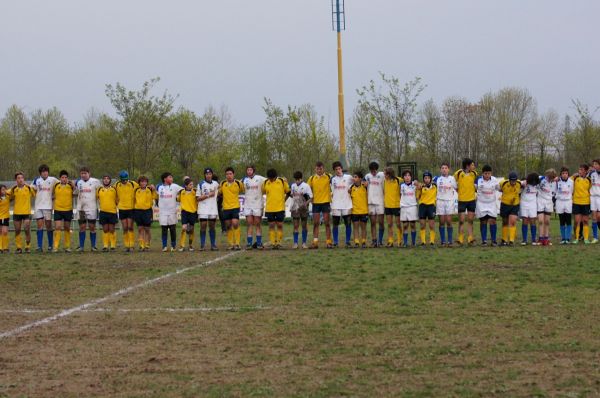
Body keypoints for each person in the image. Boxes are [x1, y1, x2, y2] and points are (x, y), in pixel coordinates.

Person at [32, 164, 59, 252]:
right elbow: (31, 189)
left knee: (48, 226)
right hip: (38, 206)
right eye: (43, 171)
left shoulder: (53, 180)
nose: (45, 173)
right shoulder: (36, 180)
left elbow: (60, 187)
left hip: (48, 206)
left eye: (46, 171)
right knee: (40, 225)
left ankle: (50, 246)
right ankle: (39, 246)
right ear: (40, 173)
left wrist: (55, 195)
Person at [262, 168, 290, 249]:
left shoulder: (282, 181)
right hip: (269, 208)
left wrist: (284, 200)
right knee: (271, 225)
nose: (271, 179)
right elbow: (263, 192)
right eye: (269, 178)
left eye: (272, 178)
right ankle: (272, 242)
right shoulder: (265, 182)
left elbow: (288, 192)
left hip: (280, 208)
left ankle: (279, 242)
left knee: (280, 225)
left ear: (275, 176)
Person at [307, 161, 333, 248]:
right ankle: (315, 242)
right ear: (315, 169)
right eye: (317, 169)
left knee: (327, 223)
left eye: (321, 168)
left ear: (323, 168)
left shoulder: (329, 176)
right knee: (316, 223)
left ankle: (329, 242)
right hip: (316, 204)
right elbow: (307, 189)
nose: (319, 170)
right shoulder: (311, 178)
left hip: (326, 202)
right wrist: (309, 199)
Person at [76, 167, 102, 251]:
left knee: (92, 227)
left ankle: (93, 246)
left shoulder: (95, 182)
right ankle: (81, 246)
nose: (83, 175)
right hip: (81, 208)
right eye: (82, 173)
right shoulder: (78, 182)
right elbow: (75, 192)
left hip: (92, 208)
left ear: (89, 173)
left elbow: (101, 192)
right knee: (82, 227)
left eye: (85, 173)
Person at [219, 167, 245, 250]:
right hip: (226, 207)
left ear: (233, 174)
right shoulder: (222, 183)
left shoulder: (238, 183)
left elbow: (243, 190)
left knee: (235, 223)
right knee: (228, 226)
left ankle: (237, 243)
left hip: (235, 206)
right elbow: (220, 193)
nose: (229, 175)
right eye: (227, 174)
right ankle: (231, 244)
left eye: (230, 174)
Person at [157, 172, 183, 252]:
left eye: (172, 177)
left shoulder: (175, 186)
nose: (172, 179)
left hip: (172, 211)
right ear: (165, 179)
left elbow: (183, 190)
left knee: (172, 229)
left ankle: (173, 245)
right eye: (170, 177)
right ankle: (164, 246)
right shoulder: (159, 187)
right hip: (162, 212)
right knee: (164, 229)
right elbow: (155, 194)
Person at [454, 158, 478, 245]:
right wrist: (457, 188)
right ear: (467, 165)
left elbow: (475, 184)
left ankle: (470, 238)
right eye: (472, 165)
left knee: (470, 220)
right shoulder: (458, 173)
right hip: (462, 200)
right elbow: (453, 183)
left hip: (471, 200)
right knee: (461, 221)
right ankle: (460, 238)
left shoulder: (474, 173)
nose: (474, 166)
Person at [10, 172, 35, 254]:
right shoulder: (13, 189)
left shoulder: (28, 188)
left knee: (27, 229)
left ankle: (27, 247)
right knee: (17, 230)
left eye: (22, 178)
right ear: (16, 180)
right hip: (17, 213)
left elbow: (36, 194)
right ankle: (19, 248)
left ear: (24, 179)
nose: (20, 179)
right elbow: (8, 197)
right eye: (18, 178)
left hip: (26, 212)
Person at [241, 165, 266, 250]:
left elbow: (269, 180)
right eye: (247, 170)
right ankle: (249, 243)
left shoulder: (260, 178)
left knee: (257, 224)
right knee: (249, 224)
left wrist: (282, 178)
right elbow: (236, 184)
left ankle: (259, 243)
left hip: (258, 205)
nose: (249, 171)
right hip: (248, 205)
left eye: (250, 170)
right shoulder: (244, 180)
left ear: (253, 171)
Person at [475, 165, 500, 246]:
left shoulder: (494, 180)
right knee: (483, 221)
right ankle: (484, 241)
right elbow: (472, 188)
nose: (487, 175)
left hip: (491, 204)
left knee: (493, 221)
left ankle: (493, 240)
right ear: (483, 173)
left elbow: (499, 188)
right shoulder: (478, 180)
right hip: (481, 204)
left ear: (491, 173)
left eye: (489, 173)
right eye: (485, 173)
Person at [114, 170, 139, 252]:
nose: (124, 181)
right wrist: (117, 203)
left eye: (126, 179)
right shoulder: (117, 184)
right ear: (120, 179)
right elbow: (113, 193)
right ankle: (126, 245)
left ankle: (131, 245)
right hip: (121, 209)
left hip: (131, 208)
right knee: (125, 228)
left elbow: (141, 189)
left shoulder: (133, 184)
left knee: (130, 227)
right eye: (123, 179)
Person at [330, 161, 353, 248]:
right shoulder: (332, 179)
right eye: (336, 169)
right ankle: (335, 242)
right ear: (334, 170)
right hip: (336, 204)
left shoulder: (349, 177)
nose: (338, 170)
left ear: (341, 168)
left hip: (347, 204)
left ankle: (347, 242)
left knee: (348, 223)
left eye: (339, 168)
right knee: (335, 224)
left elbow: (356, 182)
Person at [52, 170, 76, 252]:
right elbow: (51, 194)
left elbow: (76, 193)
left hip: (68, 210)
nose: (64, 179)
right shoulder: (55, 185)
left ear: (67, 178)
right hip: (58, 209)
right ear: (60, 178)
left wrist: (73, 186)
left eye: (66, 177)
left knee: (67, 227)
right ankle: (55, 247)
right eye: (62, 177)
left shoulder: (70, 185)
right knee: (58, 227)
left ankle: (67, 246)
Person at [434, 163, 457, 247]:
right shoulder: (436, 179)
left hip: (449, 201)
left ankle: (450, 241)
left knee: (449, 221)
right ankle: (443, 241)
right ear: (440, 170)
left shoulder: (452, 179)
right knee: (441, 222)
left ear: (448, 169)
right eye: (442, 168)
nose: (444, 169)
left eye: (446, 168)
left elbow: (457, 188)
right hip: (440, 201)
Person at [197, 168, 220, 251]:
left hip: (213, 208)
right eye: (207, 174)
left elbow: (221, 190)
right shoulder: (200, 184)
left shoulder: (216, 184)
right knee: (203, 226)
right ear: (204, 175)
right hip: (203, 209)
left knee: (212, 226)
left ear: (212, 174)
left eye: (210, 174)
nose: (208, 175)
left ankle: (213, 245)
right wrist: (208, 195)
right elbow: (198, 198)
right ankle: (202, 245)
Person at [289, 171, 313, 249]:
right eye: (296, 179)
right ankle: (295, 243)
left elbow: (311, 197)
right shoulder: (292, 186)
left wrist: (305, 204)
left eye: (298, 179)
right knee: (295, 225)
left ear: (301, 178)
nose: (297, 181)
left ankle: (304, 243)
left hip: (303, 209)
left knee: (304, 225)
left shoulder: (306, 186)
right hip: (295, 208)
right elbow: (292, 195)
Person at [364, 161, 385, 247]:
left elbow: (390, 176)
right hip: (371, 202)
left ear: (377, 169)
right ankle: (374, 240)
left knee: (381, 223)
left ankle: (380, 240)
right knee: (373, 222)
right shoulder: (367, 176)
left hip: (380, 202)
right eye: (372, 170)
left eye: (375, 170)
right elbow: (362, 183)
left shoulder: (382, 175)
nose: (373, 172)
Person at [133, 176, 157, 251]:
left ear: (147, 182)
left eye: (145, 181)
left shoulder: (150, 189)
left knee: (147, 229)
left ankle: (147, 244)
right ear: (139, 182)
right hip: (138, 211)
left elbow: (155, 196)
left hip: (147, 211)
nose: (143, 183)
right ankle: (141, 245)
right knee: (140, 229)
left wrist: (154, 189)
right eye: (142, 181)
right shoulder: (136, 190)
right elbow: (133, 199)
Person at [499, 172, 522, 246]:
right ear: (509, 179)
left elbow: (526, 182)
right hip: (505, 204)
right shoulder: (503, 183)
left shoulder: (519, 183)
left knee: (512, 221)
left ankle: (511, 241)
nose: (513, 182)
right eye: (512, 180)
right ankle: (504, 240)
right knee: (505, 222)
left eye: (514, 180)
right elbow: (496, 187)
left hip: (514, 205)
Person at [97, 174, 118, 252]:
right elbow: (97, 198)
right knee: (105, 229)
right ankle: (105, 245)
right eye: (104, 178)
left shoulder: (114, 189)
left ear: (110, 180)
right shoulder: (99, 189)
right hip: (103, 211)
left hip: (112, 212)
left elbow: (117, 199)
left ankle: (112, 245)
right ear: (102, 180)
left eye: (107, 178)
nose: (106, 180)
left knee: (112, 229)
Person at [571, 164, 592, 244]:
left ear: (586, 171)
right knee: (577, 221)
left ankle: (586, 238)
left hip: (586, 203)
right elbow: (565, 182)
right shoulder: (575, 178)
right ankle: (577, 238)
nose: (579, 171)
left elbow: (590, 190)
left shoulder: (589, 180)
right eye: (579, 169)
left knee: (585, 221)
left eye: (581, 169)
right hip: (576, 202)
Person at [537, 169, 557, 246]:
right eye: (549, 177)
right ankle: (540, 238)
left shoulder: (555, 182)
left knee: (547, 222)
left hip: (549, 202)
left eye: (551, 178)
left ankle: (546, 238)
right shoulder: (540, 178)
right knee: (541, 221)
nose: (550, 179)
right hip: (540, 201)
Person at [177, 178, 198, 251]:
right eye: (190, 185)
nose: (192, 186)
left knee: (191, 229)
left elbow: (199, 199)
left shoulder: (195, 191)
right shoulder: (181, 192)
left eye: (192, 184)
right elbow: (178, 199)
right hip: (184, 212)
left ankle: (190, 245)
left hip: (193, 212)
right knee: (184, 228)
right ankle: (182, 245)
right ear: (185, 186)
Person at [383, 167, 402, 247]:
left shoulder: (399, 180)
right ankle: (390, 241)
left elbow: (409, 182)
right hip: (387, 206)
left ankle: (400, 240)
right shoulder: (384, 181)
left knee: (398, 224)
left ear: (389, 174)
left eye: (385, 174)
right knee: (389, 224)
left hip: (396, 205)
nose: (384, 175)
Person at [349, 170, 368, 248]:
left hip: (364, 211)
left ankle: (363, 241)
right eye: (353, 177)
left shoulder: (365, 186)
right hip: (355, 211)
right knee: (355, 227)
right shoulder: (351, 188)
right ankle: (356, 242)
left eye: (356, 177)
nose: (354, 178)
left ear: (360, 178)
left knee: (363, 228)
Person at [417, 171, 437, 246]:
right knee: (422, 224)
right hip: (422, 206)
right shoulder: (421, 187)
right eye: (425, 178)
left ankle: (432, 241)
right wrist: (418, 188)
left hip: (431, 207)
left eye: (428, 178)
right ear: (423, 179)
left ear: (431, 179)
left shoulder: (435, 186)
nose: (427, 179)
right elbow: (417, 197)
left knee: (431, 225)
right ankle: (423, 241)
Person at [520, 173, 540, 245]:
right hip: (524, 204)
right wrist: (522, 184)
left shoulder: (537, 184)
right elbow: (518, 182)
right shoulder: (524, 183)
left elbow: (543, 177)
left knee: (533, 221)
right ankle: (524, 240)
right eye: (533, 181)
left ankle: (533, 239)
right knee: (525, 220)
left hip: (533, 205)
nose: (534, 183)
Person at [556, 167, 574, 244]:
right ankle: (563, 238)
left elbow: (572, 192)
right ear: (561, 174)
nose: (564, 175)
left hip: (568, 202)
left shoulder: (571, 181)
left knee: (568, 220)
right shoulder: (557, 181)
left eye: (566, 173)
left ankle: (568, 238)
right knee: (562, 220)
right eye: (563, 173)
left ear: (568, 174)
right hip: (559, 202)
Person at [400, 170, 418, 247]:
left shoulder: (414, 185)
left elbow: (421, 186)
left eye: (408, 176)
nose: (407, 177)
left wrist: (417, 183)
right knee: (405, 225)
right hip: (404, 207)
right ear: (403, 178)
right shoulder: (401, 186)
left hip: (412, 206)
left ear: (411, 177)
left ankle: (413, 242)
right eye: (405, 176)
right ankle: (405, 242)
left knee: (413, 225)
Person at [589, 159, 600, 243]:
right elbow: (582, 175)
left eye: (596, 164)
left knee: (599, 216)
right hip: (593, 197)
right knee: (594, 217)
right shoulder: (592, 173)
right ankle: (595, 237)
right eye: (593, 164)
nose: (594, 165)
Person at [0, 185, 10, 253]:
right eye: (2, 189)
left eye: (5, 189)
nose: (4, 191)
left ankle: (5, 248)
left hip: (5, 217)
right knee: (0, 232)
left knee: (5, 232)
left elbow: (11, 191)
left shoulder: (8, 197)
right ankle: (1, 248)